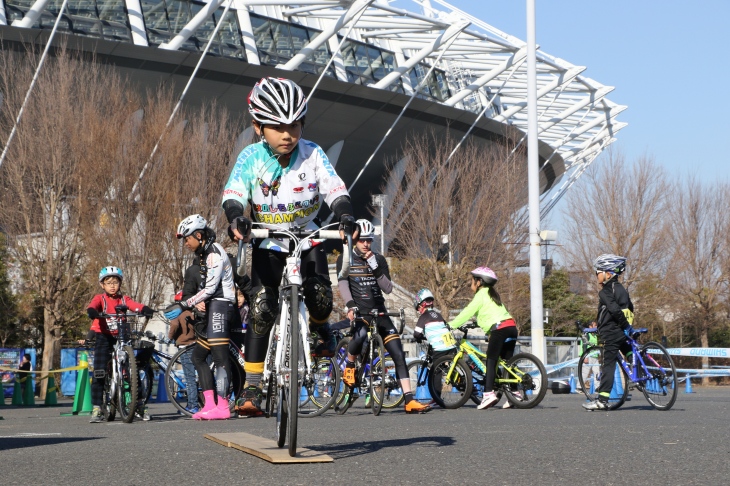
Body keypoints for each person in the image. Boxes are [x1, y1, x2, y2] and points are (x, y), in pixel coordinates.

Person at [221, 76, 356, 416]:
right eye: (277, 127)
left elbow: (334, 187)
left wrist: (344, 213)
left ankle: (322, 328)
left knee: (321, 298)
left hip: (307, 236)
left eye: (294, 125)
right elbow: (234, 193)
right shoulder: (251, 157)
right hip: (267, 239)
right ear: (257, 127)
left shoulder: (312, 153)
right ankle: (251, 386)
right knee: (263, 308)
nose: (287, 135)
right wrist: (237, 217)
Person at [336, 219, 431, 414]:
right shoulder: (345, 259)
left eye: (369, 240)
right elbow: (343, 283)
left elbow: (388, 288)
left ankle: (409, 400)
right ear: (355, 239)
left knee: (398, 353)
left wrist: (376, 267)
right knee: (360, 335)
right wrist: (350, 305)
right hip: (361, 312)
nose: (366, 244)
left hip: (380, 312)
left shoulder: (378, 259)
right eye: (362, 240)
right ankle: (350, 365)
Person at [164, 214, 237, 420]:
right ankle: (210, 404)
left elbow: (210, 289)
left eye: (187, 239)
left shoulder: (214, 254)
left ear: (198, 235)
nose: (185, 243)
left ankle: (222, 407)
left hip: (222, 307)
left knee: (221, 358)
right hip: (215, 307)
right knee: (197, 357)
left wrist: (183, 304)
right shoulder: (205, 254)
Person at [85, 266, 154, 423]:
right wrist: (92, 312)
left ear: (120, 283)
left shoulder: (124, 299)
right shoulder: (100, 299)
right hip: (104, 337)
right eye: (108, 282)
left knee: (133, 371)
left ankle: (138, 405)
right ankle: (97, 408)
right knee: (99, 371)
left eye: (115, 282)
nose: (112, 285)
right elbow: (93, 306)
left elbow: (134, 305)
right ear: (102, 285)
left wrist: (145, 309)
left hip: (122, 336)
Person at [447, 266, 518, 410]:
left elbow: (467, 311)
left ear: (479, 282)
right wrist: (476, 322)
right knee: (507, 363)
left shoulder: (481, 295)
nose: (470, 283)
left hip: (499, 329)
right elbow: (489, 313)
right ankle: (515, 394)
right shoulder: (492, 295)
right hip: (511, 327)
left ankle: (488, 394)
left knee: (490, 361)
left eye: (472, 280)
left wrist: (450, 325)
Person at [583, 254, 634, 411]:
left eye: (598, 272)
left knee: (608, 365)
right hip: (621, 332)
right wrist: (627, 327)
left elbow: (613, 309)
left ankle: (602, 400)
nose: (597, 275)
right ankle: (638, 371)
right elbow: (630, 308)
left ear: (608, 273)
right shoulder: (622, 290)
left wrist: (625, 325)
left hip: (611, 333)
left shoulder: (605, 291)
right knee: (628, 350)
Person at [167, 259, 202, 414]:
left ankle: (192, 404)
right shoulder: (193, 313)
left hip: (184, 347)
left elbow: (174, 326)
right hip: (197, 344)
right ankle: (204, 403)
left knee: (189, 378)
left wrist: (170, 337)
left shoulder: (179, 314)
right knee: (200, 375)